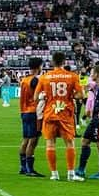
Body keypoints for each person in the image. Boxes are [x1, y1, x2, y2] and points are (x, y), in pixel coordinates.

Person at [34, 52, 84, 181]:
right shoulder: (72, 76)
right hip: (65, 113)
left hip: (50, 113)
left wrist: (45, 96)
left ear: (52, 62)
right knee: (70, 143)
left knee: (50, 143)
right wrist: (71, 96)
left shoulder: (45, 77)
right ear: (64, 61)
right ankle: (71, 174)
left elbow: (35, 97)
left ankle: (54, 174)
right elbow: (81, 95)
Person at [75, 65, 99, 180]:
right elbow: (86, 87)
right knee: (85, 141)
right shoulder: (98, 85)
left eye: (92, 72)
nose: (90, 74)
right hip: (95, 120)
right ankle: (81, 169)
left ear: (97, 74)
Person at [18, 57, 44, 176]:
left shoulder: (24, 80)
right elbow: (37, 96)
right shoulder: (35, 80)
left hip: (24, 111)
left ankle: (23, 167)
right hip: (33, 111)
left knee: (25, 139)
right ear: (39, 67)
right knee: (33, 140)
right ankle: (29, 169)